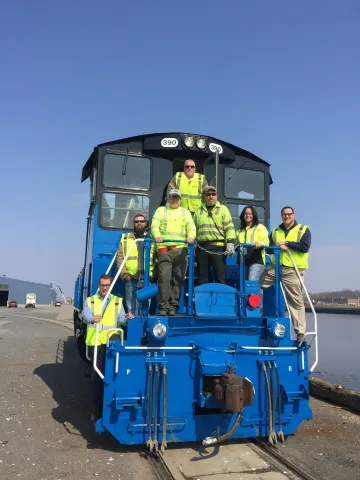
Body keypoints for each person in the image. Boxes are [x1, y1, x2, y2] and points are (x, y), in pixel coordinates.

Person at [83, 274, 133, 420]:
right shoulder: (90, 301)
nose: (105, 288)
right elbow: (85, 316)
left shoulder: (118, 301)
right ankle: (96, 411)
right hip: (96, 342)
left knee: (113, 375)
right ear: (98, 286)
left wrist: (128, 318)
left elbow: (121, 320)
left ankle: (111, 410)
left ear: (110, 286)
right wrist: (92, 318)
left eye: (107, 285)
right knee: (96, 377)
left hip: (112, 344)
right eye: (102, 285)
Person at [260, 206, 311, 344]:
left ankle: (300, 333)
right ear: (281, 216)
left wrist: (287, 244)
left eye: (289, 214)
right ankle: (257, 310)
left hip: (292, 270)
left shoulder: (303, 229)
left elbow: (305, 247)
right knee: (257, 284)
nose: (287, 216)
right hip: (275, 267)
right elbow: (270, 249)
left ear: (294, 215)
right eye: (284, 214)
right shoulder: (275, 231)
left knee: (295, 301)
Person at [151, 189, 196, 315]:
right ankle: (163, 307)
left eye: (177, 198)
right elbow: (155, 224)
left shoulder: (185, 212)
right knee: (164, 278)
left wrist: (191, 236)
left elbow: (191, 226)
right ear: (167, 198)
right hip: (164, 250)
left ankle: (173, 306)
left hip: (181, 250)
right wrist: (157, 235)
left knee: (179, 279)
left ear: (180, 200)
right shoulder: (161, 211)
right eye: (172, 197)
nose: (174, 200)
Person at [194, 186, 236, 284]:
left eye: (213, 194)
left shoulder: (223, 209)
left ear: (216, 196)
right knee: (202, 277)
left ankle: (220, 299)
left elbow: (229, 227)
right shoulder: (198, 211)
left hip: (218, 248)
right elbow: (193, 229)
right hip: (201, 249)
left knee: (220, 276)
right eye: (208, 194)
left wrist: (230, 243)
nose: (211, 196)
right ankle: (203, 299)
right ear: (204, 197)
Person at [116, 214, 155, 315]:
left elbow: (156, 258)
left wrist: (153, 275)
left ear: (146, 223)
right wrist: (125, 275)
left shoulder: (152, 239)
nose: (139, 223)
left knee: (145, 310)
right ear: (133, 224)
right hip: (131, 279)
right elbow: (120, 259)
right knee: (131, 310)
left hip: (147, 279)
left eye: (141, 221)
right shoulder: (125, 238)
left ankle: (143, 330)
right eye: (136, 221)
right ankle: (133, 329)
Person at [236, 206, 269, 280]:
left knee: (252, 283)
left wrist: (261, 243)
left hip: (256, 260)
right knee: (243, 286)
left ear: (253, 215)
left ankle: (257, 292)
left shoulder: (260, 227)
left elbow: (266, 240)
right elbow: (236, 244)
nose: (247, 215)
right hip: (242, 261)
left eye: (250, 213)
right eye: (245, 213)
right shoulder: (239, 231)